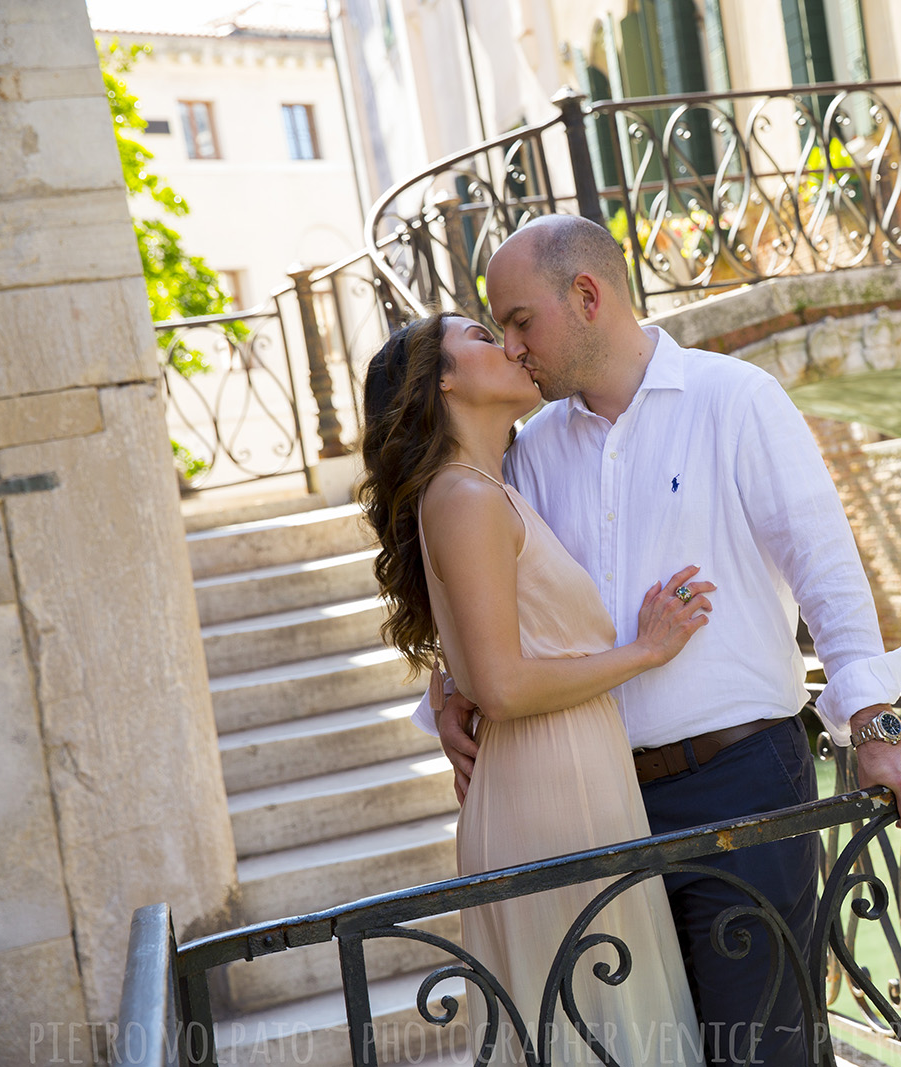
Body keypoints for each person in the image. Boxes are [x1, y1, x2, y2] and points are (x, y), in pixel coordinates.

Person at [410, 214, 901, 1066]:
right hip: (601, 812)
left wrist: (876, 727)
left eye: (521, 322)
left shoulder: (736, 400)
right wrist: (447, 690)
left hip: (742, 788)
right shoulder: (528, 451)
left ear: (587, 296)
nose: (514, 347)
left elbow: (828, 572)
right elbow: (490, 585)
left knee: (762, 1054)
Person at [358, 311, 711, 1064]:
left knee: (614, 1027)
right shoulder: (463, 495)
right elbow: (507, 685)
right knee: (599, 1032)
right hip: (549, 789)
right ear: (442, 379)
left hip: (570, 777)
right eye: (485, 338)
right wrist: (644, 651)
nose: (512, 347)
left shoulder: (481, 489)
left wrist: (450, 681)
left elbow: (487, 654)